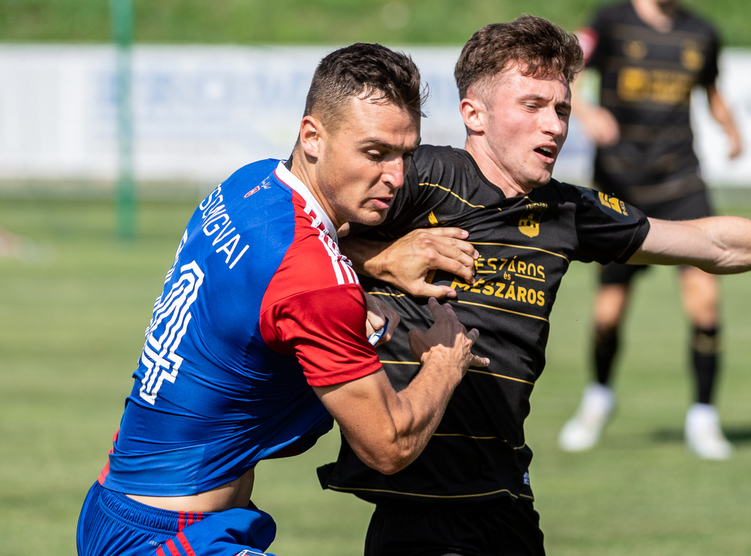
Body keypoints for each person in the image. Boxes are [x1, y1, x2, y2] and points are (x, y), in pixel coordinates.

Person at [318, 16, 751, 556]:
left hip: (504, 494)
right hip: (424, 504)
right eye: (533, 106)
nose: (554, 125)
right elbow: (294, 221)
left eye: (562, 108)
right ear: (474, 114)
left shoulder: (567, 209)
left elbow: (716, 243)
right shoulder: (421, 176)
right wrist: (382, 258)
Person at [76, 43, 488, 556]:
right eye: (375, 153)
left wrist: (375, 263)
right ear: (312, 136)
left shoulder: (248, 184)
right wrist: (446, 362)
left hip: (117, 504)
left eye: (405, 154)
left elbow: (283, 265)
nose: (397, 176)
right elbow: (389, 444)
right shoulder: (314, 282)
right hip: (166, 535)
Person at [558, 0, 744, 459]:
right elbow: (569, 73)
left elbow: (711, 92)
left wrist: (732, 129)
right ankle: (599, 396)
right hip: (620, 188)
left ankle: (704, 417)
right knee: (608, 316)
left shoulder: (701, 31)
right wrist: (586, 112)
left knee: (705, 304)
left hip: (682, 183)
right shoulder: (610, 20)